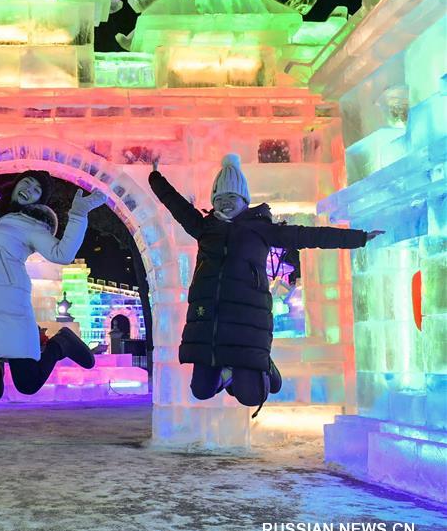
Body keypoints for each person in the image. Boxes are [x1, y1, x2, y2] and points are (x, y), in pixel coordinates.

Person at [149, 154, 383, 416]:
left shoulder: (261, 229)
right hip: (211, 321)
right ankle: (228, 373)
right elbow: (176, 206)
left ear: (244, 200)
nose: (225, 205)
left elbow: (310, 236)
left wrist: (359, 238)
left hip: (247, 320)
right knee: (201, 390)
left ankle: (263, 366)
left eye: (231, 198)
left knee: (253, 396)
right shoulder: (205, 228)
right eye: (220, 199)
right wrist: (155, 178)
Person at [0, 171, 106, 402]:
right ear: (15, 185)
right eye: (27, 183)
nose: (29, 190)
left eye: (36, 190)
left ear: (38, 200)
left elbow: (62, 254)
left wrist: (78, 215)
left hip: (11, 311)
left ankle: (60, 344)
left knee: (28, 384)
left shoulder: (31, 226)